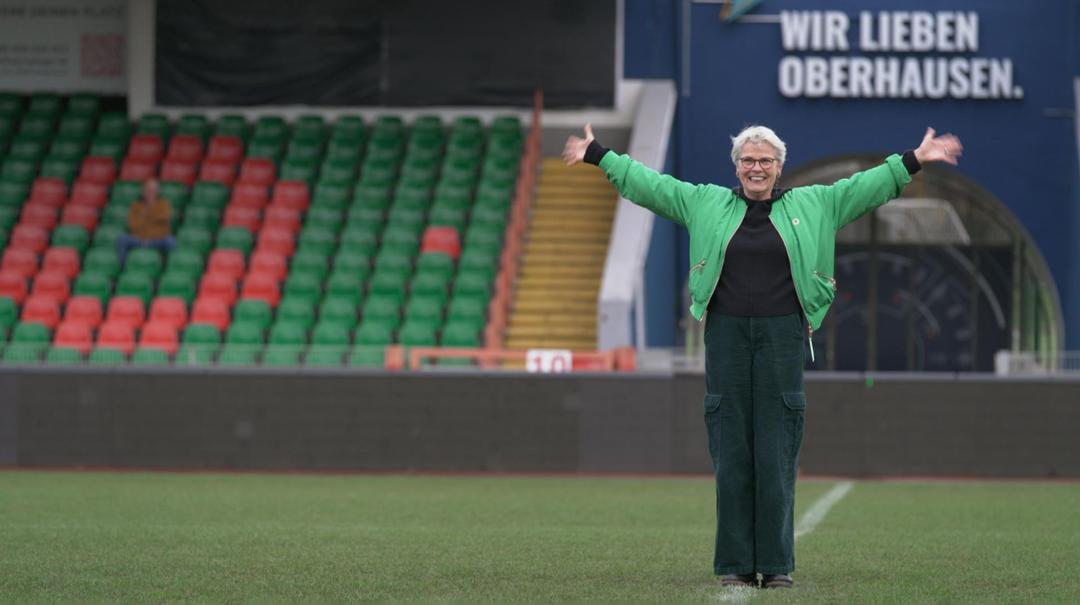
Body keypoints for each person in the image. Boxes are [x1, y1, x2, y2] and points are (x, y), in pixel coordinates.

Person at [563, 124, 961, 589]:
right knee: (732, 452)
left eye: (765, 160)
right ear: (737, 167)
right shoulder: (706, 202)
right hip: (726, 338)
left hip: (783, 337)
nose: (756, 168)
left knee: (776, 452)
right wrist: (600, 155)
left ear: (779, 167)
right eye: (748, 160)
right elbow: (654, 187)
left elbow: (865, 187)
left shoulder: (815, 204)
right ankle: (734, 563)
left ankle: (775, 566)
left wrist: (914, 158)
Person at [116, 177, 175, 266]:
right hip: (139, 239)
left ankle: (167, 268)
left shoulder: (164, 204)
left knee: (171, 241)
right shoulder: (135, 205)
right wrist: (152, 218)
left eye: (153, 190)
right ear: (143, 191)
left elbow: (164, 218)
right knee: (121, 239)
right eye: (148, 190)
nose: (150, 192)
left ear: (157, 191)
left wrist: (146, 214)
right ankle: (124, 268)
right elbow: (131, 224)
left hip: (157, 239)